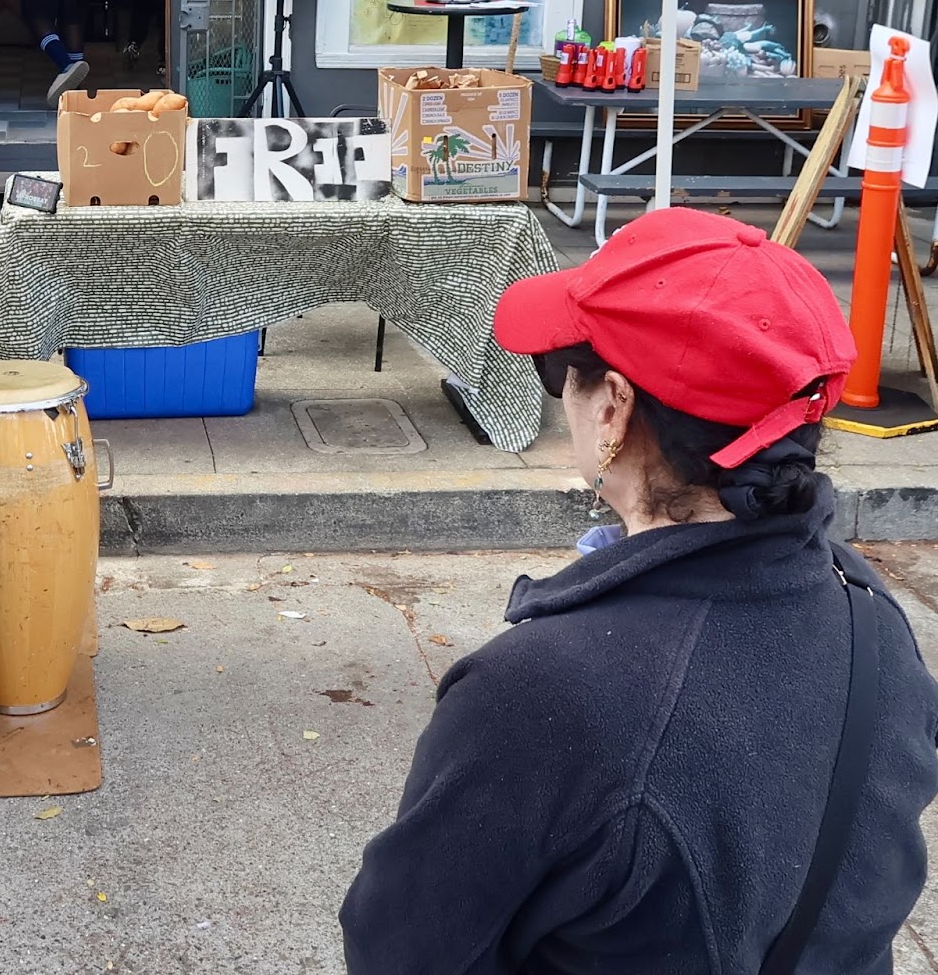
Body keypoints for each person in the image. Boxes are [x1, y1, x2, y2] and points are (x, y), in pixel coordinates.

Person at [341, 209, 938, 973]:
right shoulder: (871, 614)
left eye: (557, 370)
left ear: (615, 407)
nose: (558, 394)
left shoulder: (539, 694)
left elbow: (401, 950)